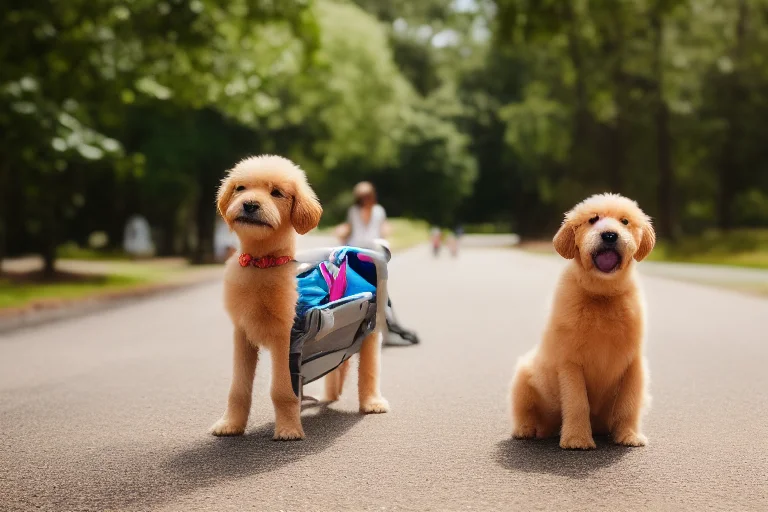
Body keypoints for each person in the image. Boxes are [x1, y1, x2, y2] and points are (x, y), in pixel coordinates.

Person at [335, 181, 391, 249]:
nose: (365, 200)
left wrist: (386, 232)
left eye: (368, 196)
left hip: (374, 246)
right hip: (356, 246)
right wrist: (341, 231)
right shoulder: (354, 211)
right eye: (363, 197)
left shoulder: (379, 210)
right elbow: (348, 227)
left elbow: (384, 226)